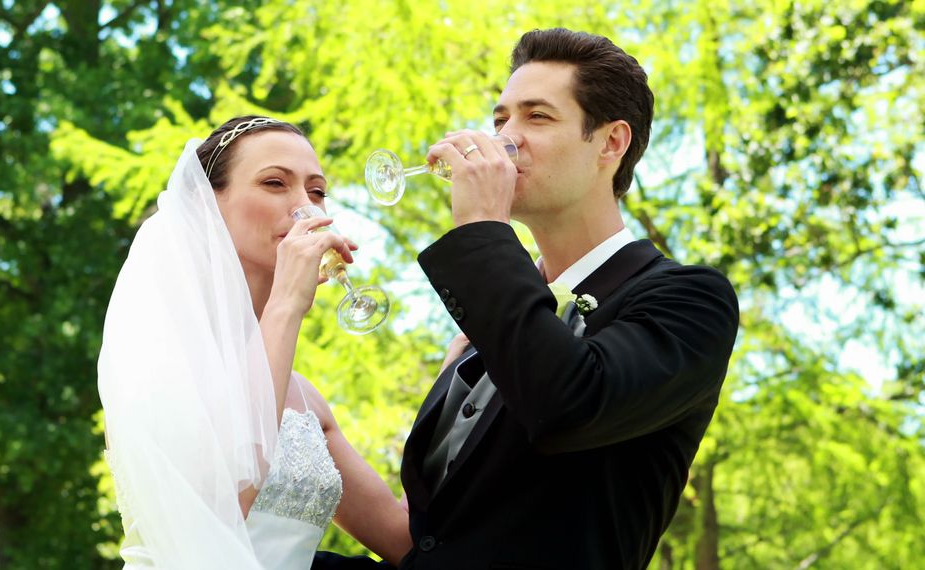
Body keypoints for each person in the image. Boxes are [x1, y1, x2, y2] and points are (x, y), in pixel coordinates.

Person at [315, 28, 739, 569]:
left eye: (537, 117)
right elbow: (426, 538)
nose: (503, 141)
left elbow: (570, 405)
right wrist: (312, 426)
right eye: (500, 120)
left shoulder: (689, 300)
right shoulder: (478, 331)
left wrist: (483, 231)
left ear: (611, 143)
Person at [99, 116, 411, 569]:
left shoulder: (305, 398)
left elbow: (406, 542)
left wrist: (462, 375)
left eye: (317, 191)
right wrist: (286, 302)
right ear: (206, 206)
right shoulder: (158, 367)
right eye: (274, 183)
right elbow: (217, 516)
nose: (306, 208)